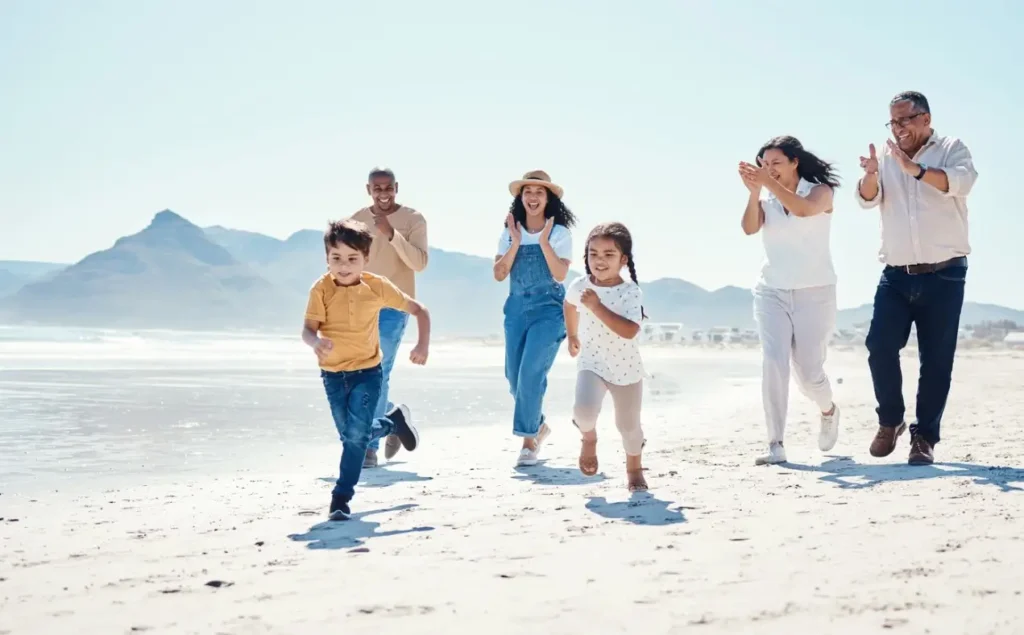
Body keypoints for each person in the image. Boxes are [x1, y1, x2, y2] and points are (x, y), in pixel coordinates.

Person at [855, 91, 978, 466]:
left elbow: (961, 182)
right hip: (896, 274)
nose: (899, 128)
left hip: (946, 275)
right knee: (879, 347)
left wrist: (916, 170)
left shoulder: (952, 148)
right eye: (893, 121)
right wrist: (872, 175)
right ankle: (890, 420)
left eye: (905, 120)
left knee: (937, 361)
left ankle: (923, 438)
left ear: (925, 118)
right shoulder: (888, 157)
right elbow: (865, 200)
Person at [302, 219, 431, 520]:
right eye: (336, 259)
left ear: (366, 259)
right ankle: (393, 422)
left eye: (352, 259)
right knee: (352, 437)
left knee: (355, 438)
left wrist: (422, 345)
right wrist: (315, 342)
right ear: (326, 259)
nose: (343, 266)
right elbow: (307, 330)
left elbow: (419, 310)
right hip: (333, 376)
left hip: (368, 372)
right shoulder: (320, 289)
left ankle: (340, 499)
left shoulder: (377, 286)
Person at [738, 136, 841, 466]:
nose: (769, 170)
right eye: (764, 164)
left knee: (809, 373)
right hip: (772, 292)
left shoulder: (820, 191)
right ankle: (775, 444)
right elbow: (749, 229)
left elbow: (804, 210)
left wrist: (766, 183)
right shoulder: (767, 199)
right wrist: (755, 192)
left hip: (816, 293)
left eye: (776, 163)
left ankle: (828, 410)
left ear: (795, 162)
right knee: (774, 361)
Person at [493, 170, 576, 466]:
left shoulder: (559, 234)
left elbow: (560, 274)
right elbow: (499, 274)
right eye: (527, 191)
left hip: (548, 311)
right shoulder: (508, 232)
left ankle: (529, 443)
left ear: (548, 198)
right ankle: (539, 425)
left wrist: (543, 242)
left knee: (530, 374)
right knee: (514, 379)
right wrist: (515, 242)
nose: (532, 197)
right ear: (521, 197)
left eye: (539, 192)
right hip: (515, 309)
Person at [348, 167, 429, 469]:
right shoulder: (356, 220)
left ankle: (368, 448)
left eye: (388, 187)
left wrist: (392, 234)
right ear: (368, 189)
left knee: (377, 372)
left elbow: (419, 263)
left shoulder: (413, 219)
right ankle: (393, 416)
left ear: (397, 187)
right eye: (377, 188)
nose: (383, 193)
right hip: (360, 305)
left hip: (395, 306)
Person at [564, 222, 648, 491]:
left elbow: (629, 330)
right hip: (592, 363)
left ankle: (634, 469)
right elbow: (569, 303)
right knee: (584, 412)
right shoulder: (581, 285)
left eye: (608, 254)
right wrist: (573, 335)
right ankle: (589, 440)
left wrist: (597, 306)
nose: (599, 261)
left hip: (626, 370)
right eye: (593, 253)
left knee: (628, 427)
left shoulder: (630, 292)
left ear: (623, 260)